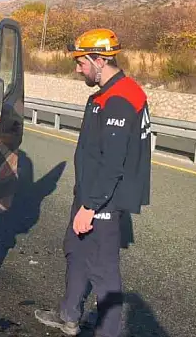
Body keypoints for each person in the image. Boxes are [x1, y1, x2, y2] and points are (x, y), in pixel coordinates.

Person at [34, 28, 152, 337]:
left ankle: (107, 331)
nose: (77, 69)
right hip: (91, 193)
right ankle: (68, 315)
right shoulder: (106, 94)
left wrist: (91, 206)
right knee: (75, 250)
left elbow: (114, 163)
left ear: (99, 60)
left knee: (103, 269)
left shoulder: (120, 99)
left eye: (81, 62)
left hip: (103, 198)